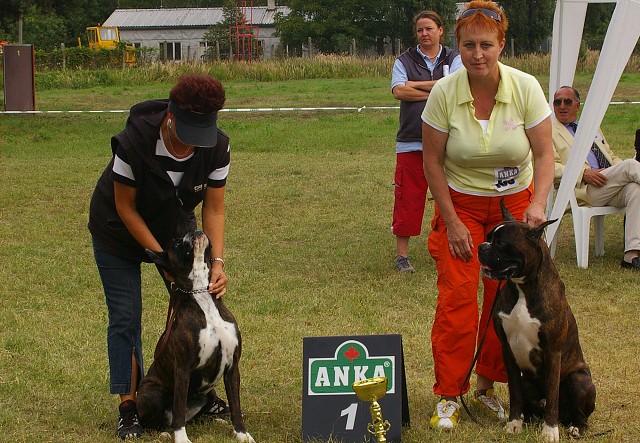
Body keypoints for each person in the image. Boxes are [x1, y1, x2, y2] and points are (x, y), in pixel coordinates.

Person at [421, 1, 554, 429]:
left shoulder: (525, 87)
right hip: (459, 203)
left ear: (501, 45)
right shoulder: (444, 92)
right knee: (457, 299)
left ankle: (488, 387)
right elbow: (431, 161)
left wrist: (537, 204)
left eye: (486, 45)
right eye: (468, 45)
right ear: (456, 45)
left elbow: (545, 152)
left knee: (508, 301)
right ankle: (449, 394)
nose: (477, 54)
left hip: (515, 205)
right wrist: (452, 221)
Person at [88, 74, 231, 439]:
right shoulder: (133, 142)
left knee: (196, 310)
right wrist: (160, 261)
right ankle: (129, 407)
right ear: (170, 116)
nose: (192, 143)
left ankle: (200, 393)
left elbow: (214, 209)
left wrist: (216, 263)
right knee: (125, 316)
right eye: (188, 130)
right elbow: (125, 207)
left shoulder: (217, 147)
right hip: (117, 230)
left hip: (175, 233)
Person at [391, 10, 462, 273]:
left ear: (441, 30)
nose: (424, 34)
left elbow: (455, 87)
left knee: (454, 197)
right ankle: (402, 256)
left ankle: (450, 247)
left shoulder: (454, 57)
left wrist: (416, 85)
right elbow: (399, 91)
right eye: (420, 30)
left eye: (429, 29)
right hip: (411, 141)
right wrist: (437, 87)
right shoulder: (404, 60)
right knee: (408, 197)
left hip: (449, 140)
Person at [552, 86, 640, 270]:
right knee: (631, 166)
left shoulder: (591, 127)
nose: (562, 106)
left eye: (567, 101)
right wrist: (582, 173)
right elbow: (550, 167)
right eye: (557, 102)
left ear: (577, 105)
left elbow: (610, 156)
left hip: (606, 182)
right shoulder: (549, 132)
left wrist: (618, 169)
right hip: (582, 189)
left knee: (635, 189)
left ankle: (631, 254)